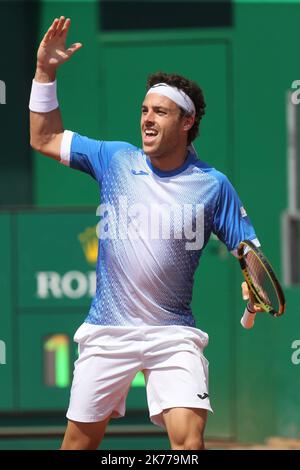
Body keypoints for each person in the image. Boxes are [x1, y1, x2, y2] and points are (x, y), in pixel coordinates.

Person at [30, 17, 262, 450]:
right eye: (143, 110)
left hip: (172, 334)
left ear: (187, 121)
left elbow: (247, 249)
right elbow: (44, 137)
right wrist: (46, 72)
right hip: (107, 330)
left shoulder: (213, 184)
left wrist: (251, 280)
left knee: (188, 445)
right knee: (78, 446)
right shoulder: (114, 160)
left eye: (160, 111)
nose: (147, 119)